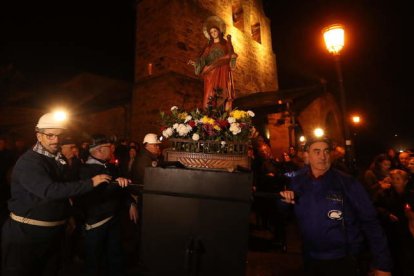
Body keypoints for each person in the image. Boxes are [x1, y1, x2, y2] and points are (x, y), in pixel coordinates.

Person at [1, 112, 117, 276]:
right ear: (39, 136)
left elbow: (65, 189)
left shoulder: (56, 158)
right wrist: (91, 182)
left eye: (59, 135)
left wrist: (66, 216)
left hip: (52, 236)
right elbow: (50, 190)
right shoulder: (30, 162)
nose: (56, 140)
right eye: (50, 135)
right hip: (26, 238)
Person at [280, 137, 392, 276]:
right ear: (307, 155)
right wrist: (284, 202)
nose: (323, 156)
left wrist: (383, 264)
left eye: (326, 151)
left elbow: (370, 222)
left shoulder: (347, 183)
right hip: (310, 258)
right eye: (317, 151)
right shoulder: (298, 182)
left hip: (344, 260)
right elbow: (285, 214)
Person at [74, 134, 138, 276]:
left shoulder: (111, 167)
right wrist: (116, 184)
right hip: (96, 222)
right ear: (99, 151)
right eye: (109, 148)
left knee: (115, 256)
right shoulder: (86, 171)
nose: (112, 150)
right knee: (94, 260)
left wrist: (130, 203)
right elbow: (96, 194)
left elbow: (122, 190)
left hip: (112, 219)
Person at [188, 17, 238, 110]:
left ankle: (222, 113)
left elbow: (231, 55)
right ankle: (209, 113)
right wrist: (196, 63)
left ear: (219, 31)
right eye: (211, 32)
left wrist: (232, 58)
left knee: (222, 91)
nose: (213, 33)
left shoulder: (226, 44)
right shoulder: (208, 46)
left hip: (223, 70)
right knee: (209, 93)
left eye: (215, 31)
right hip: (210, 72)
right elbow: (203, 59)